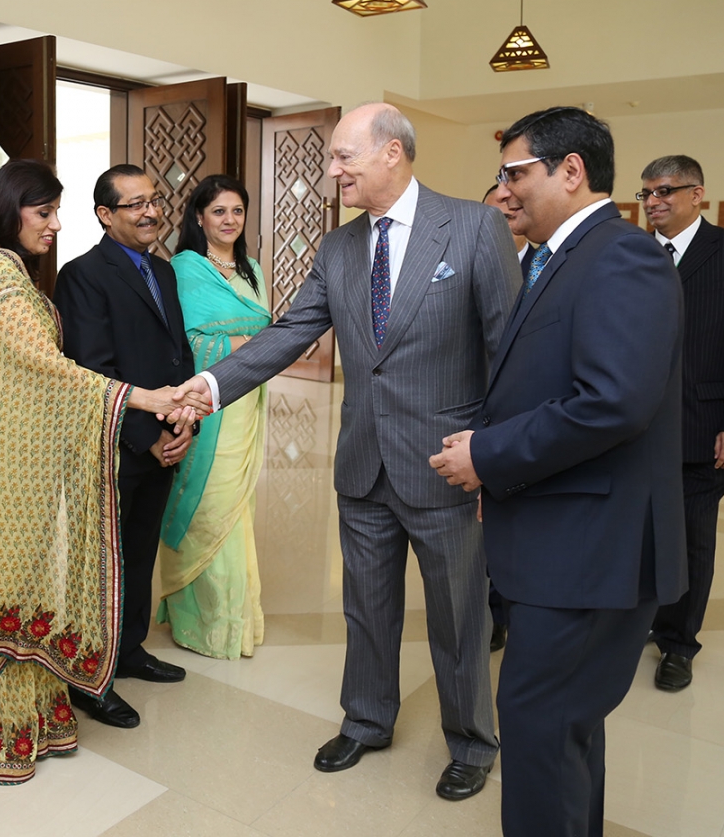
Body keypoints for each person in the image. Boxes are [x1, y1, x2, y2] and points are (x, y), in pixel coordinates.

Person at [174, 103, 519, 801]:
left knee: (458, 617)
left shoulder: (475, 227)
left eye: (343, 157)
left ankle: (473, 742)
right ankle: (366, 719)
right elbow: (288, 332)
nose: (332, 172)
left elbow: (509, 349)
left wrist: (495, 452)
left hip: (447, 463)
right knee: (366, 607)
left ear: (392, 153)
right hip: (363, 462)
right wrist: (209, 385)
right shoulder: (338, 248)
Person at [430, 107, 686, 836]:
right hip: (566, 537)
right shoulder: (563, 257)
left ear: (570, 171)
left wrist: (488, 456)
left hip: (590, 550)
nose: (503, 191)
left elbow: (612, 402)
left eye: (516, 173)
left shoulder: (620, 256)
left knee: (543, 728)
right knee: (560, 734)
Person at [0, 159, 206, 781]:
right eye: (44, 212)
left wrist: (177, 411)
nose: (56, 225)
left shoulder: (15, 272)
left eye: (57, 212)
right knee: (0, 584)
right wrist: (144, 400)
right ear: (10, 210)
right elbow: (50, 364)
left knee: (32, 580)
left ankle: (34, 714)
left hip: (20, 454)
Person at [54, 164, 200, 726]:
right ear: (105, 215)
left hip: (165, 436)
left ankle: (130, 648)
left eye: (154, 200)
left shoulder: (162, 271)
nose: (150, 212)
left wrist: (184, 419)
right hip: (116, 444)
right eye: (134, 204)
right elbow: (94, 368)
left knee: (141, 552)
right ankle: (90, 677)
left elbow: (176, 354)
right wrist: (147, 435)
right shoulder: (83, 275)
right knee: (104, 563)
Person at [157, 174, 271, 660]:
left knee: (238, 506)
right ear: (199, 217)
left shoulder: (253, 270)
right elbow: (182, 344)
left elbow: (272, 330)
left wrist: (256, 351)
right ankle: (203, 620)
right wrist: (245, 346)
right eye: (219, 211)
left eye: (237, 211)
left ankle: (236, 617)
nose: (229, 220)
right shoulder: (184, 268)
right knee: (209, 504)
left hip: (247, 400)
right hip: (206, 401)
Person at [641, 155, 724, 691]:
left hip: (704, 428)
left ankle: (679, 643)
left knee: (692, 538)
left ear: (697, 194)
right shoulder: (634, 254)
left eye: (665, 191)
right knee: (642, 532)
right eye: (647, 193)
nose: (654, 201)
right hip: (635, 431)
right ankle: (645, 620)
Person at [480, 183, 532, 653]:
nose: (508, 210)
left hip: (528, 418)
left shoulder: (544, 263)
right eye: (498, 205)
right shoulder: (466, 261)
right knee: (480, 529)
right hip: (476, 416)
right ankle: (490, 615)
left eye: (515, 202)